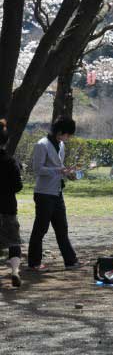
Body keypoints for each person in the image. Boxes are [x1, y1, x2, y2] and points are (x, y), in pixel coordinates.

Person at [28, 117, 80, 271]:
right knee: (41, 229)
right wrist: (59, 171)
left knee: (62, 228)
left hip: (57, 192)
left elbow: (59, 166)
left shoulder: (61, 145)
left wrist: (68, 173)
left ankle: (70, 261)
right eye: (68, 134)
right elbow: (37, 170)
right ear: (60, 132)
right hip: (44, 193)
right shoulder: (41, 145)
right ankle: (34, 263)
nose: (68, 138)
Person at [0, 120, 24, 287]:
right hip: (8, 207)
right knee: (14, 242)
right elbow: (18, 186)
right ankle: (15, 271)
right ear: (6, 140)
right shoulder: (10, 161)